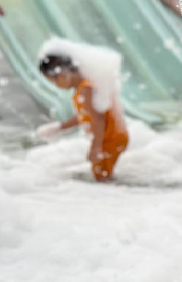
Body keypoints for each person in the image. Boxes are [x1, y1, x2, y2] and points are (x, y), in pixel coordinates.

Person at [36, 39, 128, 181]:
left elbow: (98, 118)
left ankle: (116, 197)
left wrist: (96, 146)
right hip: (112, 137)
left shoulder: (85, 89)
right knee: (102, 172)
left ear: (62, 75)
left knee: (101, 175)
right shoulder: (84, 88)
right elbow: (85, 116)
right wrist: (61, 127)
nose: (56, 86)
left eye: (54, 82)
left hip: (110, 139)